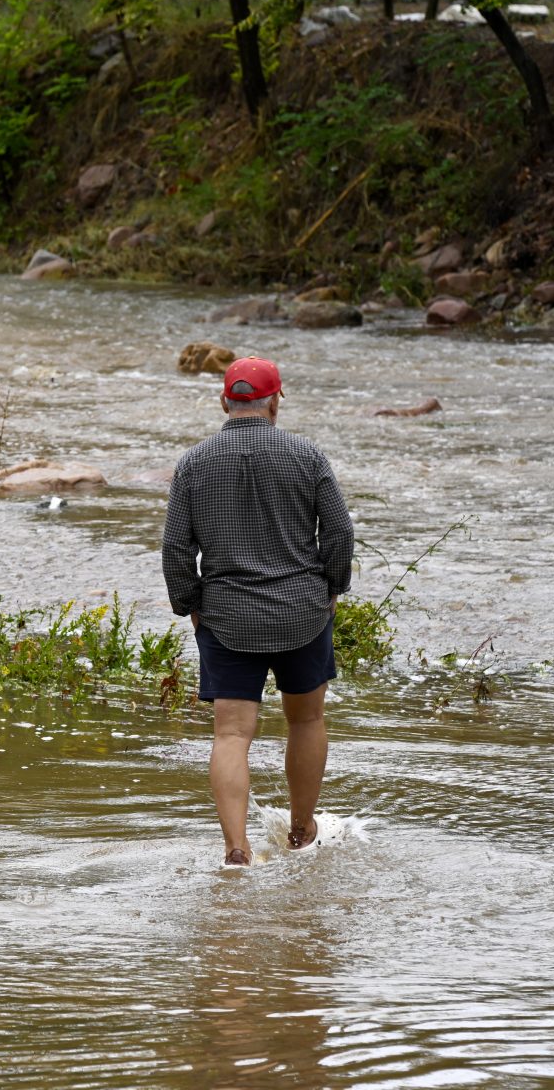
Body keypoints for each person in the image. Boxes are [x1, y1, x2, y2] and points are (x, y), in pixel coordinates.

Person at [160, 356, 354, 867]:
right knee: (306, 720)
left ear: (224, 402)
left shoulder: (194, 462)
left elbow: (176, 548)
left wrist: (190, 605)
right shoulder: (306, 455)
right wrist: (332, 588)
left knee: (231, 734)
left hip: (226, 615)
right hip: (302, 611)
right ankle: (301, 831)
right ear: (275, 403)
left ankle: (236, 850)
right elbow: (339, 532)